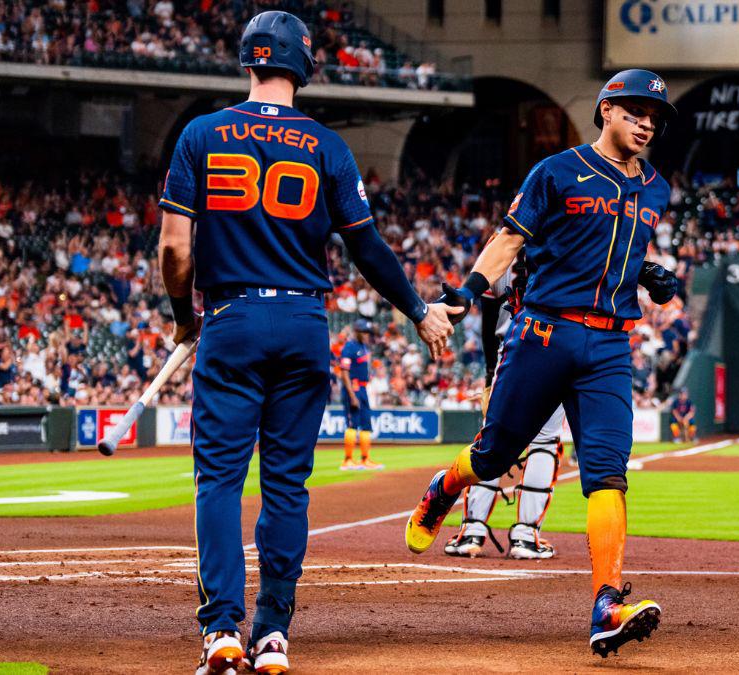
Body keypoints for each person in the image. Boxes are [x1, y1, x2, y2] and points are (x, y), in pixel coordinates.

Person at [157, 11, 460, 674]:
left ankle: (222, 632)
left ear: (249, 61)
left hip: (231, 318)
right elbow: (367, 247)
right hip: (302, 323)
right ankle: (273, 634)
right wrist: (416, 309)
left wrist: (184, 314)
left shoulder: (200, 135)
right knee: (287, 486)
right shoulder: (327, 145)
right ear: (304, 67)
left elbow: (174, 248)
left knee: (218, 482)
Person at [403, 69, 680, 658]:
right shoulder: (556, 171)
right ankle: (445, 485)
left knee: (607, 471)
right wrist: (467, 291)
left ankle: (608, 602)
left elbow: (618, 251)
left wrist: (650, 274)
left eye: (654, 116)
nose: (647, 122)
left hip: (608, 346)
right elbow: (510, 240)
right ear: (605, 110)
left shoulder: (655, 187)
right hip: (543, 333)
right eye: (634, 110)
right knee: (494, 455)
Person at [444, 253, 564, 560]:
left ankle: (471, 532)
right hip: (561, 347)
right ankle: (525, 536)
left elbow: (488, 315)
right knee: (545, 443)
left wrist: (488, 374)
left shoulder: (508, 239)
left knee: (493, 439)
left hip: (511, 348)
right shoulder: (575, 231)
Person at [339, 319, 382, 470]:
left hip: (363, 389)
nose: (367, 335)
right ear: (357, 331)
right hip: (353, 387)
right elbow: (344, 373)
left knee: (366, 425)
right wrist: (352, 395)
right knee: (352, 424)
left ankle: (365, 459)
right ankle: (348, 460)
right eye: (364, 332)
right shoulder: (349, 347)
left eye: (367, 332)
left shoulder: (363, 347)